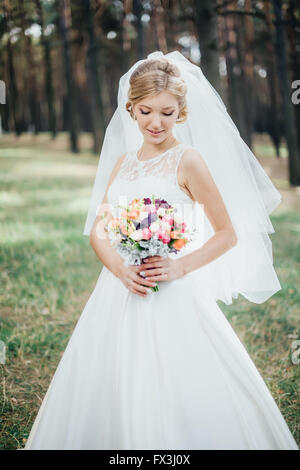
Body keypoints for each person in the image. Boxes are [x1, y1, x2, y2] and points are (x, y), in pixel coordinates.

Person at [23, 51, 299, 450]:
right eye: (147, 111)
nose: (156, 122)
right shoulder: (123, 164)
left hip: (171, 290)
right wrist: (120, 269)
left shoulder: (188, 161)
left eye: (167, 113)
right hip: (118, 288)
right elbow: (99, 232)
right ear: (131, 109)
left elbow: (226, 234)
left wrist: (178, 267)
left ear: (181, 113)